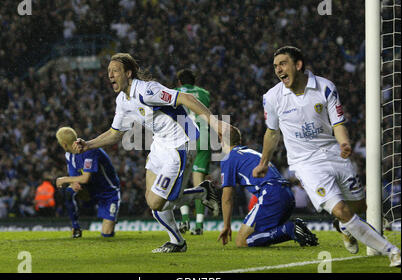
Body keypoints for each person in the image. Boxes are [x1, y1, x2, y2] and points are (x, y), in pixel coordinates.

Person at [252, 45, 400, 267]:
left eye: (283, 64)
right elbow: (272, 132)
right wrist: (264, 162)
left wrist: (344, 142)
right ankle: (393, 251)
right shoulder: (272, 97)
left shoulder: (325, 87)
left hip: (333, 154)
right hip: (306, 164)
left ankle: (343, 227)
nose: (278, 70)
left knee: (359, 207)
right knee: (341, 210)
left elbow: (337, 123)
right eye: (275, 66)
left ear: (298, 65)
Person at [72, 53, 227, 253]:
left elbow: (185, 97)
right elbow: (114, 133)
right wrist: (88, 145)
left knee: (159, 202)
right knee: (152, 200)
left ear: (128, 73)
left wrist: (214, 123)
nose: (110, 75)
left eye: (115, 71)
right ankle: (177, 241)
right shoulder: (122, 101)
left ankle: (202, 192)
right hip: (160, 144)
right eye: (109, 71)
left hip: (181, 142)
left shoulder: (148, 90)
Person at [217, 126, 318, 247]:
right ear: (239, 140)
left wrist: (226, 225)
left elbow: (227, 197)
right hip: (286, 193)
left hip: (271, 194)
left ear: (221, 139)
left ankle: (290, 229)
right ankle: (295, 230)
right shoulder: (251, 153)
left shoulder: (229, 158)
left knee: (242, 241)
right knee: (260, 235)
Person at [55, 126, 121, 239]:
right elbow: (74, 176)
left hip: (109, 193)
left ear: (64, 144)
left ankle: (111, 219)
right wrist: (73, 182)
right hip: (90, 191)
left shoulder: (89, 151)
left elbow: (85, 178)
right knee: (69, 191)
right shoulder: (69, 155)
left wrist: (63, 179)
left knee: (106, 234)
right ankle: (75, 227)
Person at [175, 69, 212, 235]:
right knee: (198, 183)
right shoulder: (204, 93)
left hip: (183, 137)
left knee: (181, 180)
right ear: (194, 81)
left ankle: (184, 221)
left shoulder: (174, 92)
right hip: (203, 137)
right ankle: (199, 225)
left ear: (179, 82)